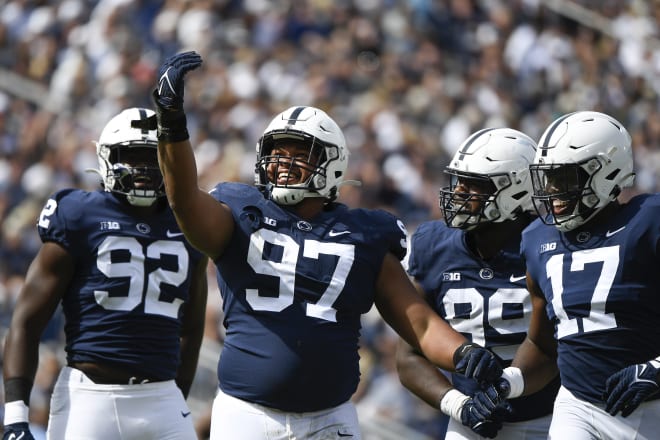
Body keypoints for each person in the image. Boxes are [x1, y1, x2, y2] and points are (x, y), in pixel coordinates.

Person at [152, 51, 505, 440]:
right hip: (248, 414)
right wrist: (171, 121)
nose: (284, 163)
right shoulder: (241, 211)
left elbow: (417, 322)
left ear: (332, 163)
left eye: (299, 154)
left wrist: (462, 353)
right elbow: (183, 199)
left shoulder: (364, 233)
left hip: (330, 419)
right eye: (278, 152)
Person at [2, 107, 209, 440]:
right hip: (90, 396)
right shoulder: (80, 213)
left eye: (152, 157)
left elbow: (192, 328)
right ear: (106, 159)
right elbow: (26, 320)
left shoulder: (189, 223)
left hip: (162, 399)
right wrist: (15, 416)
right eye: (131, 157)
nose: (143, 169)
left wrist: (174, 396)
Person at [482, 110, 660, 439]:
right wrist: (507, 383)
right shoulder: (537, 239)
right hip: (578, 405)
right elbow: (544, 344)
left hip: (652, 407)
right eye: (547, 178)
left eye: (563, 178)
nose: (551, 191)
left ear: (606, 172)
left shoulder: (648, 220)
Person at [397, 128, 560, 439]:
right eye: (458, 180)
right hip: (470, 420)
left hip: (549, 418)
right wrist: (459, 406)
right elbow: (409, 356)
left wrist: (504, 387)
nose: (458, 192)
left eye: (474, 184)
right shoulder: (434, 246)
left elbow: (553, 350)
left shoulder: (548, 245)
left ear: (515, 191)